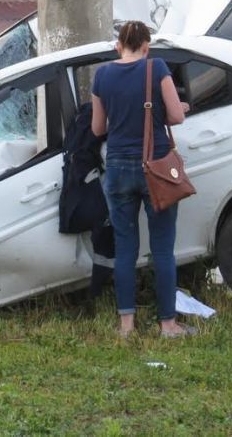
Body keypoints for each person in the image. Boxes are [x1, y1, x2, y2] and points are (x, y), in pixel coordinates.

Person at [90, 20, 195, 339]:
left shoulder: (102, 74)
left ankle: (126, 325)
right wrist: (175, 108)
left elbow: (97, 129)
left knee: (125, 248)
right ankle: (168, 324)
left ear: (118, 45)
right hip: (156, 167)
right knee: (162, 249)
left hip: (119, 166)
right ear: (146, 46)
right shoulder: (157, 67)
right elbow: (176, 117)